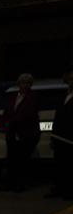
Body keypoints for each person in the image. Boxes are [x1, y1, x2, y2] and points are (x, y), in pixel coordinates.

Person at [0, 73, 41, 193]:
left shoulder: (33, 97)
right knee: (11, 158)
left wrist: (10, 123)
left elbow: (28, 114)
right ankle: (9, 183)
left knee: (22, 159)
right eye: (23, 82)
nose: (25, 85)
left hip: (26, 133)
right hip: (13, 133)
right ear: (18, 84)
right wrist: (4, 123)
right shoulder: (13, 97)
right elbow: (7, 111)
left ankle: (19, 184)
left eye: (28, 83)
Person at [46, 66, 73, 200]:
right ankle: (58, 189)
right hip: (59, 136)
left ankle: (67, 191)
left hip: (70, 138)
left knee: (68, 166)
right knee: (58, 165)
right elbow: (58, 116)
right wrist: (52, 136)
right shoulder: (64, 95)